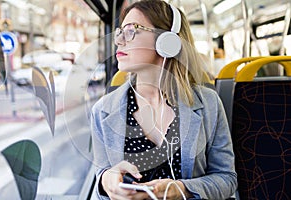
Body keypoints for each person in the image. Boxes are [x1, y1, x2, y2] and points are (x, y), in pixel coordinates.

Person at [90, 0, 237, 199]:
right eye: (120, 31)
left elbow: (227, 179)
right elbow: (102, 182)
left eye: (132, 30)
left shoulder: (209, 104)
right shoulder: (102, 110)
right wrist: (106, 181)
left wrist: (182, 189)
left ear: (167, 41)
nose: (119, 41)